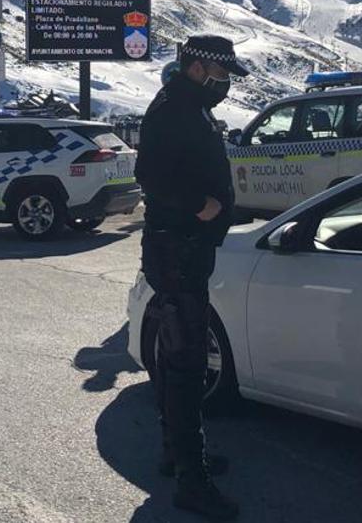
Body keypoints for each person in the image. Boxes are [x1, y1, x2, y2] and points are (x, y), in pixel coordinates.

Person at [135, 35, 247, 521]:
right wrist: (200, 204)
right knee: (187, 364)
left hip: (184, 249)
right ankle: (191, 479)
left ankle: (175, 452)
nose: (225, 85)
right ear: (198, 68)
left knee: (175, 353)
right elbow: (150, 173)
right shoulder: (174, 108)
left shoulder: (189, 105)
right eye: (221, 75)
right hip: (177, 248)